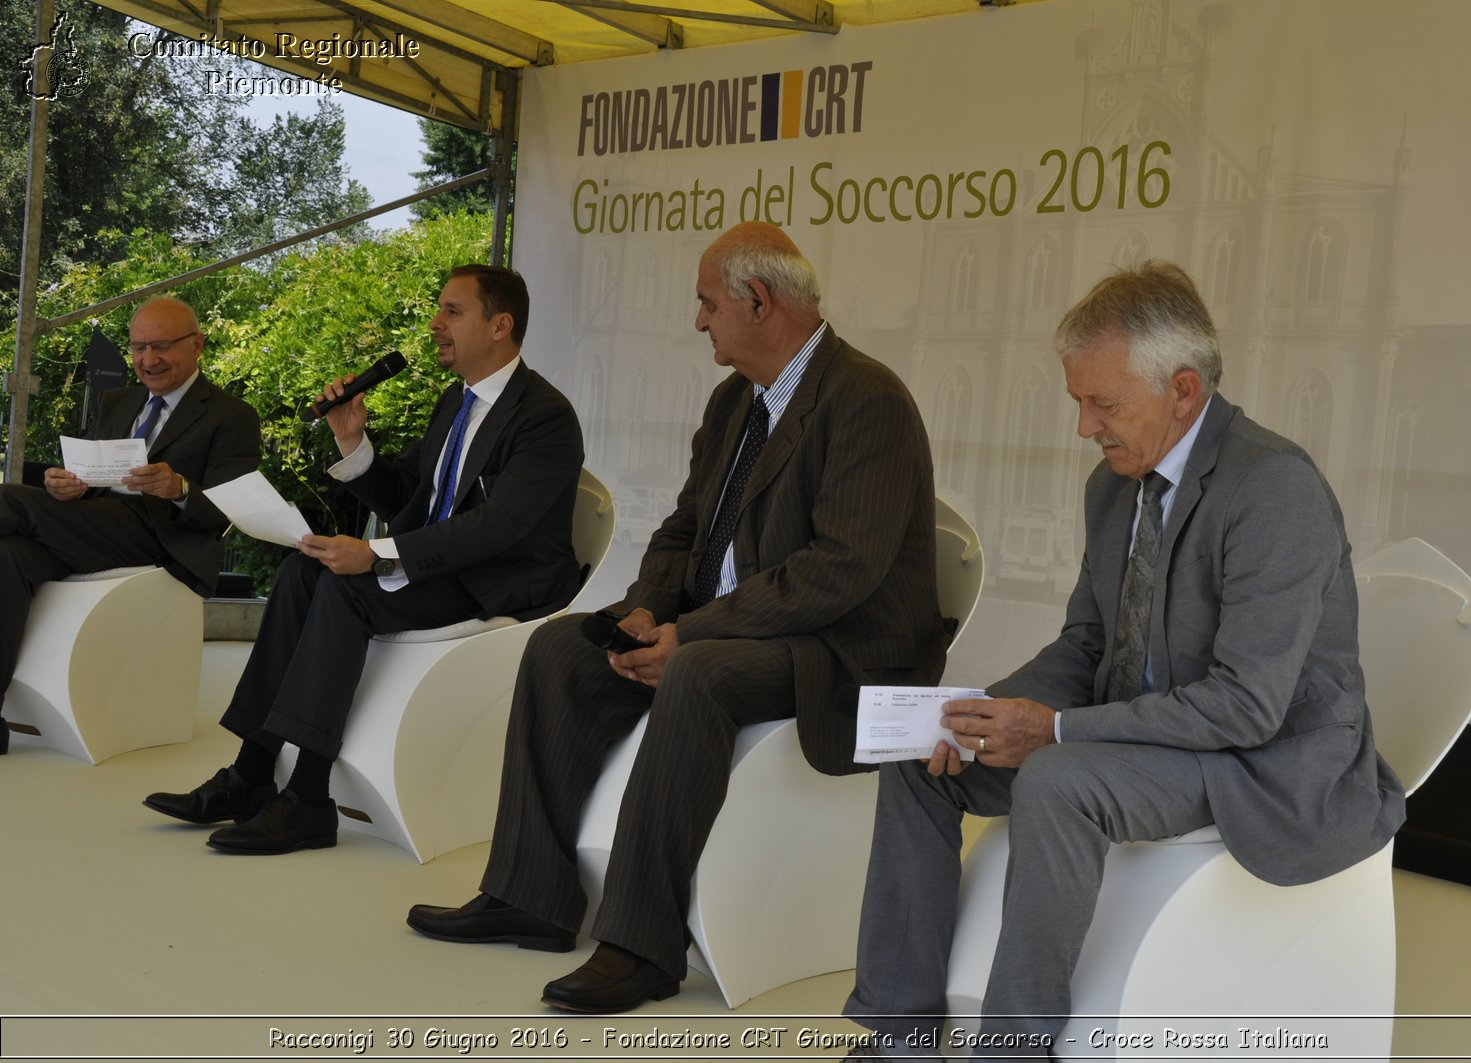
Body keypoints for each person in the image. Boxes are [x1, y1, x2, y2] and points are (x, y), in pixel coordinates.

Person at [840, 262, 1407, 1060]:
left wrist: (1058, 731)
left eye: (1102, 403)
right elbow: (1086, 645)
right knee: (923, 760)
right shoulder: (1112, 488)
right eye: (1078, 400)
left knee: (1057, 779)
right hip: (1147, 737)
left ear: (1181, 390)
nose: (1084, 426)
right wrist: (979, 714)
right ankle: (895, 1033)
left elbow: (1247, 706)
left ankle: (1012, 1047)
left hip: (1257, 760)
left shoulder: (1274, 488)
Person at [406, 222, 947, 1013]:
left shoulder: (868, 400)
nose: (697, 321)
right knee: (564, 646)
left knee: (697, 669)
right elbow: (686, 528)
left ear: (758, 302)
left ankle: (642, 943)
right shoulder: (736, 400)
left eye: (706, 303)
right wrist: (652, 609)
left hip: (841, 649)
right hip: (734, 622)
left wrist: (690, 632)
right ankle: (532, 894)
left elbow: (840, 571)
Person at [143, 265, 585, 853]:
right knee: (304, 571)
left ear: (500, 324)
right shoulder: (456, 401)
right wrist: (353, 440)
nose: (435, 324)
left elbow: (499, 527)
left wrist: (376, 554)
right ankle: (251, 774)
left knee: (348, 587)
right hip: (445, 563)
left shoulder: (545, 416)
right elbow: (411, 496)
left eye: (452, 311)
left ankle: (307, 798)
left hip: (499, 579)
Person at [0, 296, 261, 755]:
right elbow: (95, 474)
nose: (148, 360)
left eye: (161, 346)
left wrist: (178, 487)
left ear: (197, 344)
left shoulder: (232, 415)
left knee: (13, 500)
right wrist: (68, 486)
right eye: (138, 348)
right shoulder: (117, 401)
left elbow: (230, 510)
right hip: (95, 522)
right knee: (9, 555)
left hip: (160, 537)